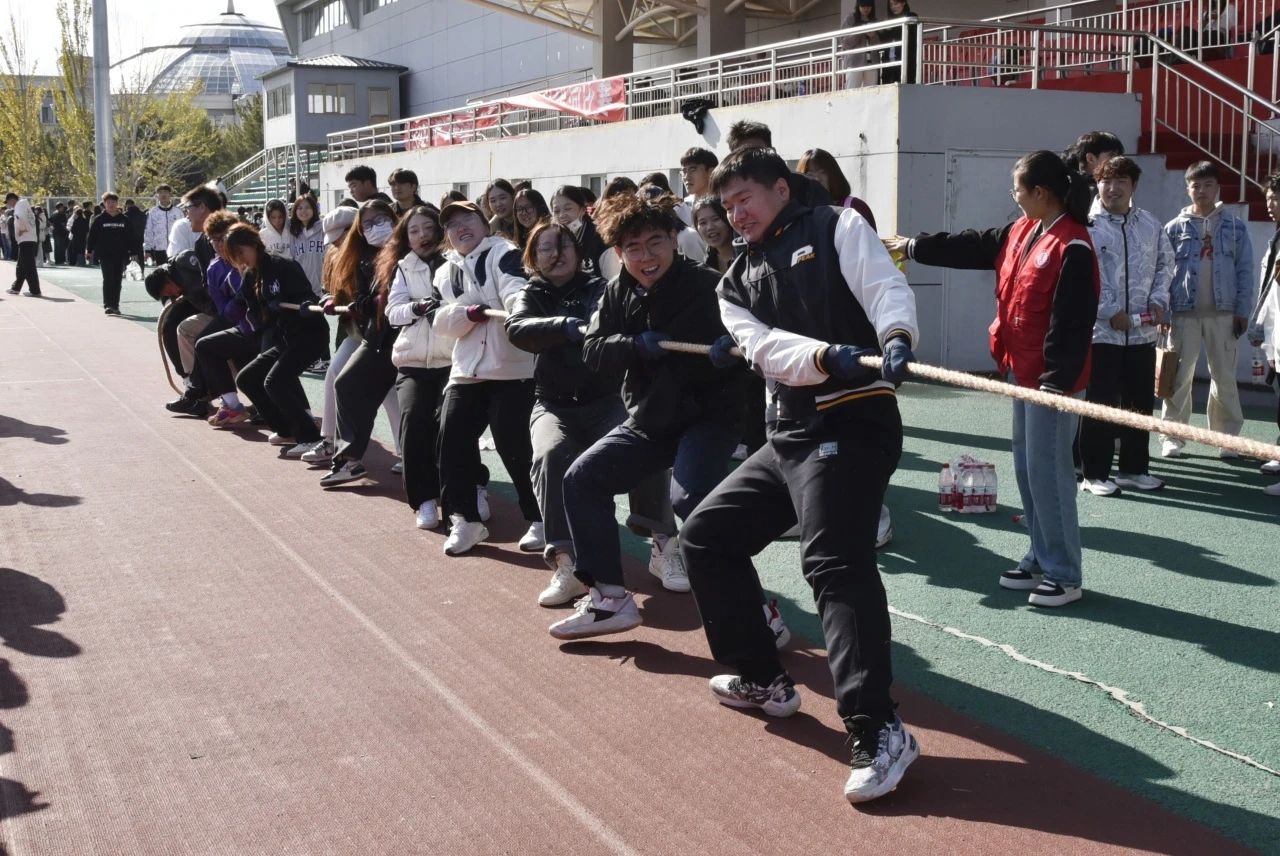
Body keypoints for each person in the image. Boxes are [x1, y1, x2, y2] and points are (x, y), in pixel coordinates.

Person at [680, 145, 919, 805]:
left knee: (833, 562)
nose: (736, 215)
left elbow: (884, 287)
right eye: (727, 206)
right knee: (706, 537)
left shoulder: (838, 226)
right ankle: (762, 676)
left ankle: (879, 728)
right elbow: (764, 349)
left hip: (854, 419)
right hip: (790, 433)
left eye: (745, 199)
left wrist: (896, 336)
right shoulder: (735, 281)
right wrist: (823, 355)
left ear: (781, 189)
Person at [889, 150, 1098, 608]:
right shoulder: (1023, 229)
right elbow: (972, 246)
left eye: (1017, 189)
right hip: (1021, 373)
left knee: (1050, 475)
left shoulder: (1073, 246)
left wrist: (1054, 384)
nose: (1014, 196)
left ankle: (1064, 574)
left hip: (1052, 384)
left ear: (1040, 192)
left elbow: (1072, 323)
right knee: (1027, 469)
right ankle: (1040, 556)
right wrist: (913, 246)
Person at [548, 191, 744, 639]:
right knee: (581, 479)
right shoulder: (618, 291)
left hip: (708, 417)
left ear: (675, 238)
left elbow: (757, 347)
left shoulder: (712, 286)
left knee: (691, 499)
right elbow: (593, 350)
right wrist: (633, 345)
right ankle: (609, 599)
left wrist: (733, 353)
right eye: (633, 248)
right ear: (619, 253)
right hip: (651, 420)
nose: (646, 256)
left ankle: (756, 612)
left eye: (655, 242)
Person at [505, 222, 621, 606]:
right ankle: (566, 563)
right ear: (532, 257)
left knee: (648, 445)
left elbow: (608, 318)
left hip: (607, 401)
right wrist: (562, 327)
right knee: (550, 455)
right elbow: (517, 328)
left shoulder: (600, 288)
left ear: (578, 252)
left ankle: (663, 542)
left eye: (564, 245)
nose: (556, 255)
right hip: (553, 404)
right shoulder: (531, 293)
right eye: (545, 248)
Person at [431, 199, 541, 556]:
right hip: (466, 370)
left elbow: (516, 290)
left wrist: (517, 311)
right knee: (450, 440)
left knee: (516, 446)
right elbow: (439, 321)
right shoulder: (443, 271)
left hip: (512, 369)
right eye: (452, 224)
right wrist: (467, 314)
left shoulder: (504, 253)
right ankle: (464, 520)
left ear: (484, 224)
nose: (460, 227)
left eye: (468, 219)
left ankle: (540, 518)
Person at [1077, 156, 1172, 496]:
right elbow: (1081, 276)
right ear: (1097, 184)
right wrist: (1109, 311)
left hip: (1142, 333)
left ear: (1134, 186)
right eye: (1107, 181)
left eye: (1122, 181)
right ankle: (1094, 474)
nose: (1113, 188)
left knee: (1139, 405)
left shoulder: (1150, 224)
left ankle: (1134, 469)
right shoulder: (1086, 225)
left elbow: (1165, 264)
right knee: (1100, 404)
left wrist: (1159, 301)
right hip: (1101, 333)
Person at [1160, 161, 1254, 458]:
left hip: (1223, 313)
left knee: (1224, 377)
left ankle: (1227, 439)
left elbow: (1245, 271)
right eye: (1195, 185)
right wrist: (1163, 310)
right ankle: (1172, 436)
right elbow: (1163, 271)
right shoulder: (1173, 228)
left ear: (1218, 188)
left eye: (1208, 184)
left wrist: (1242, 310)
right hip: (1182, 313)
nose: (1201, 190)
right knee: (1177, 378)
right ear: (1188, 188)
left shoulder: (1236, 227)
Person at [318, 200, 406, 483]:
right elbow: (354, 297)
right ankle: (343, 452)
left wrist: (387, 301)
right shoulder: (356, 258)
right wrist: (336, 300)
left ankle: (411, 456)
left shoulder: (408, 252)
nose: (374, 228)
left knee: (397, 395)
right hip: (371, 335)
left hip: (408, 338)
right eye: (367, 224)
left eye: (380, 220)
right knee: (343, 381)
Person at [225, 223, 330, 455]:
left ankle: (309, 437)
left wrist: (302, 306)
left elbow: (308, 298)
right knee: (247, 378)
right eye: (235, 256)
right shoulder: (250, 276)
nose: (240, 259)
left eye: (241, 252)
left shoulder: (283, 266)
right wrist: (262, 310)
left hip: (309, 336)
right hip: (285, 338)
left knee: (275, 381)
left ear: (254, 245)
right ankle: (285, 429)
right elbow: (254, 312)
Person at [386, 206, 452, 528]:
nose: (422, 235)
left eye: (428, 228)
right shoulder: (403, 267)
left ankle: (473, 488)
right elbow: (393, 312)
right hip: (412, 362)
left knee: (452, 425)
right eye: (414, 231)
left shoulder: (455, 262)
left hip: (453, 361)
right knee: (412, 422)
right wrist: (417, 307)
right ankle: (423, 500)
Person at [1248, 172, 1280, 480]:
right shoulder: (1277, 236)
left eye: (1277, 199)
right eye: (1269, 198)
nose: (1271, 205)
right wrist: (1261, 329)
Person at [724, 121, 833, 208]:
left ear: (772, 151)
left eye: (757, 152)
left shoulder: (808, 188)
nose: (752, 161)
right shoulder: (730, 199)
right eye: (744, 157)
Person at [796, 148, 877, 228]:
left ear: (834, 175)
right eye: (810, 175)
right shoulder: (797, 213)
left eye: (822, 172)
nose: (817, 179)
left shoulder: (855, 207)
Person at [86, 193, 134, 315]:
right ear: (104, 204)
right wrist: (89, 250)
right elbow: (92, 236)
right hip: (105, 255)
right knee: (108, 279)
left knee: (117, 280)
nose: (111, 205)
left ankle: (115, 305)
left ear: (117, 203)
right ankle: (108, 305)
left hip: (120, 254)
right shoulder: (99, 219)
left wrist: (133, 252)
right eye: (108, 202)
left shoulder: (124, 219)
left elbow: (131, 237)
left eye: (113, 202)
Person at [550, 185, 607, 275]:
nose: (561, 215)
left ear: (583, 210)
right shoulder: (550, 239)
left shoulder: (601, 238)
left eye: (568, 209)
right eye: (556, 211)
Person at [839, 0, 880, 89]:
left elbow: (879, 45)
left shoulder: (875, 20)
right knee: (852, 90)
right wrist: (860, 31)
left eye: (868, 6)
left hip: (872, 62)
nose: (866, 9)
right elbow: (844, 42)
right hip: (854, 62)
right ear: (858, 5)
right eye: (863, 6)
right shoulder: (850, 18)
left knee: (871, 91)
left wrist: (873, 36)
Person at [4, 193, 40, 297]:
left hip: (26, 239)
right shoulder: (25, 205)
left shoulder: (19, 206)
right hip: (28, 239)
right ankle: (16, 288)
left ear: (12, 200)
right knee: (22, 266)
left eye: (8, 202)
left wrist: (22, 229)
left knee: (28, 266)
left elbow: (20, 217)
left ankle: (35, 290)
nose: (9, 205)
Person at [879, 0, 918, 85]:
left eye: (896, 4)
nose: (893, 7)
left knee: (905, 85)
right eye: (891, 5)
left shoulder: (910, 16)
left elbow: (909, 36)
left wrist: (891, 27)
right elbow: (883, 40)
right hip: (889, 60)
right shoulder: (890, 20)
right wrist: (883, 29)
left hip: (905, 59)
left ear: (903, 3)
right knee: (887, 85)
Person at [144, 185, 182, 266]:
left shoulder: (178, 212)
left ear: (170, 194)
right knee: (161, 272)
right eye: (160, 192)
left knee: (175, 272)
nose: (163, 195)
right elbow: (148, 232)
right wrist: (147, 250)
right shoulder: (153, 212)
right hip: (159, 250)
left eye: (165, 192)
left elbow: (183, 230)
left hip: (176, 249)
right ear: (157, 195)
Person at [124, 199, 147, 269]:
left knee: (127, 258)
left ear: (127, 205)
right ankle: (141, 270)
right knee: (140, 257)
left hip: (128, 240)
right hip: (140, 239)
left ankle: (127, 271)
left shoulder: (125, 215)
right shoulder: (142, 214)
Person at [68, 203, 89, 267]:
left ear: (77, 214)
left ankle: (77, 262)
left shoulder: (76, 221)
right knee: (82, 249)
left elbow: (72, 230)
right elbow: (87, 229)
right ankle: (82, 261)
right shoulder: (85, 220)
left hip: (76, 238)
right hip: (83, 237)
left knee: (76, 250)